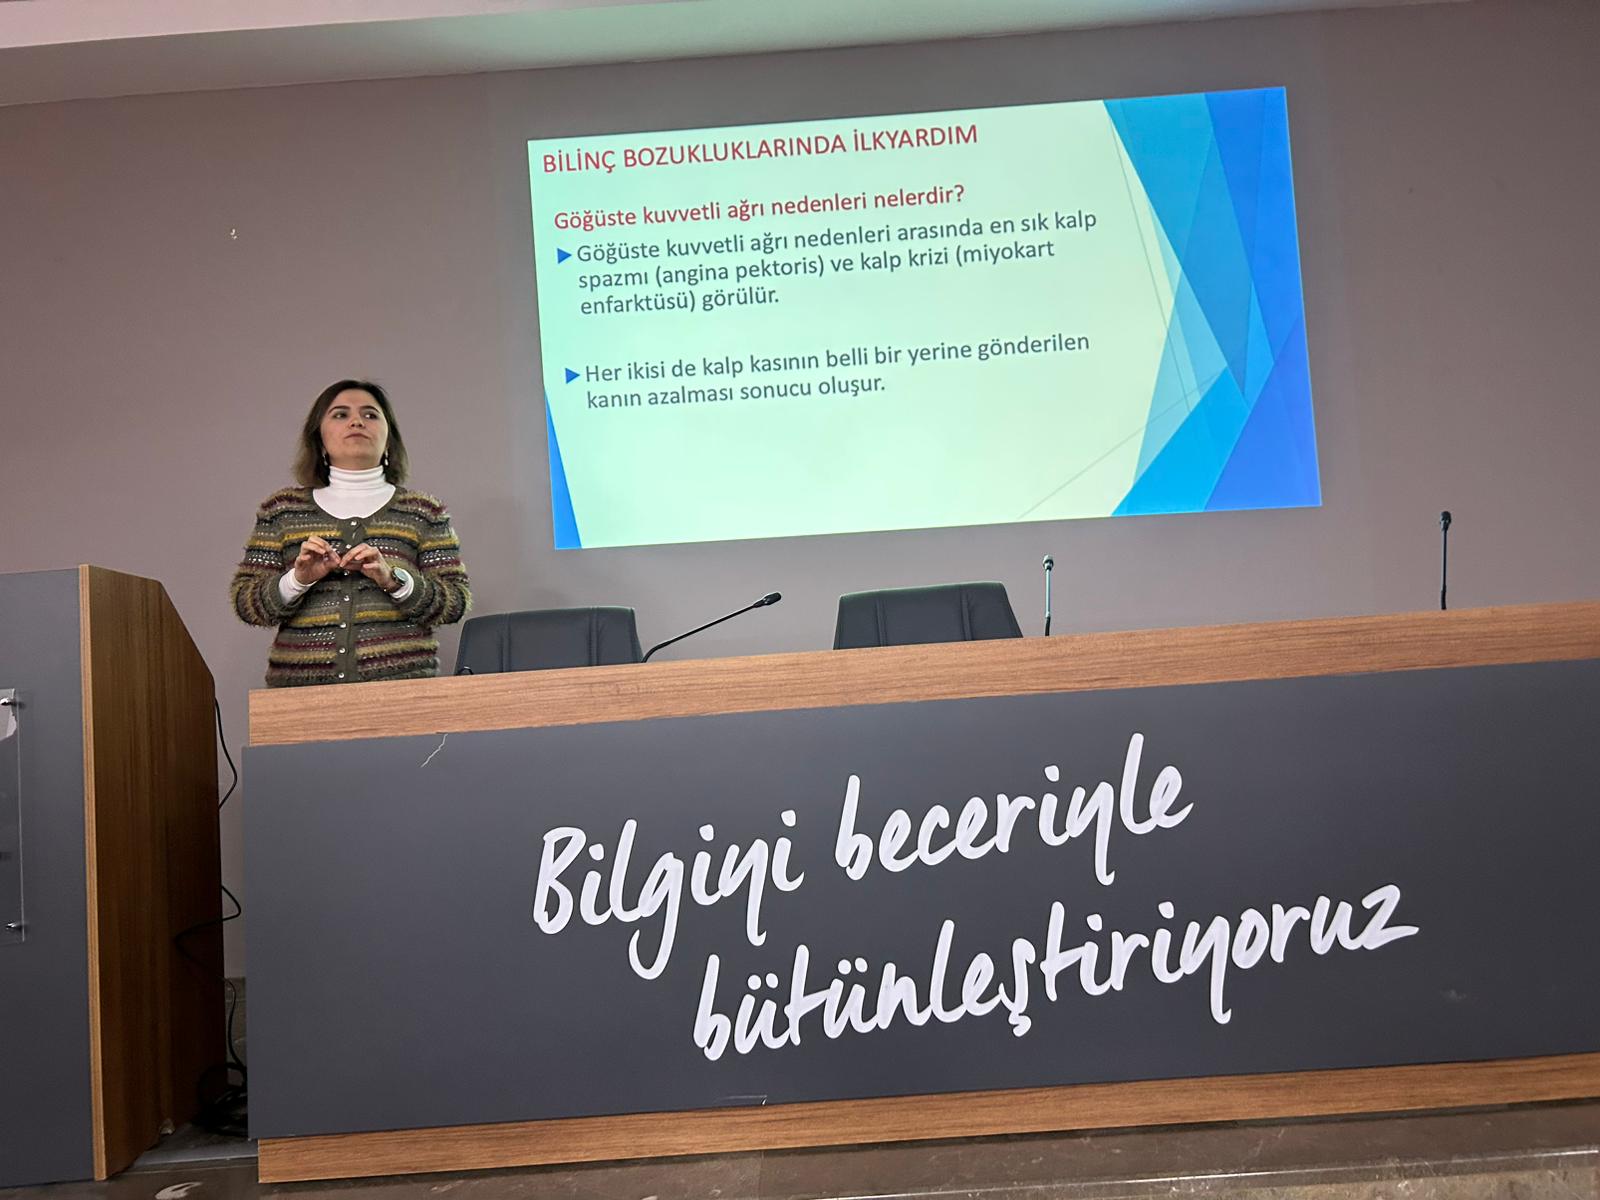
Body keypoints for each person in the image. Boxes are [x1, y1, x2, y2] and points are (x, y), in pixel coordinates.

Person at [230, 380, 471, 687]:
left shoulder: (424, 511)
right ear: (319, 438)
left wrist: (394, 580)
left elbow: (455, 602)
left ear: (389, 439)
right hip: (300, 697)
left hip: (403, 693)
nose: (357, 421)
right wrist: (297, 580)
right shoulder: (282, 511)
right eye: (340, 414)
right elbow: (246, 603)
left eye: (370, 414)